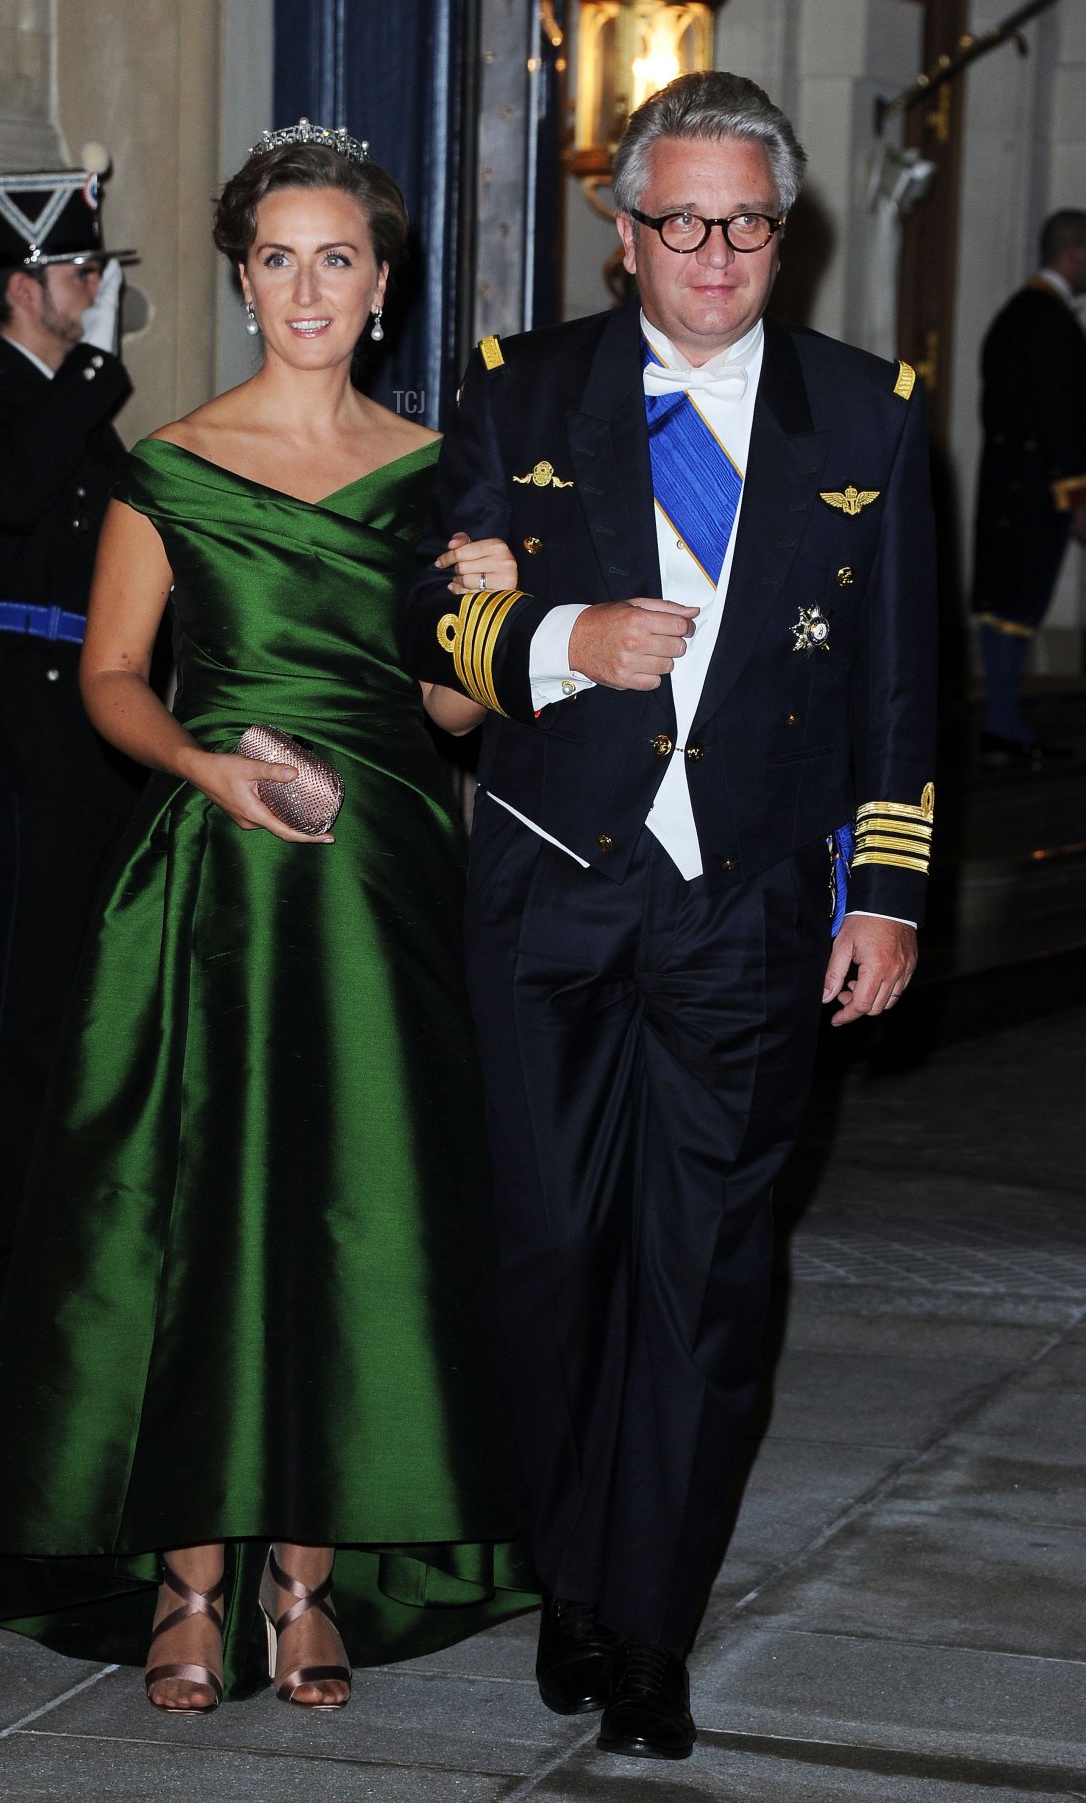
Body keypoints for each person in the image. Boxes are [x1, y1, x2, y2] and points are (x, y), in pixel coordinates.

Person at [0, 122, 533, 1714]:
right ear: (241, 277)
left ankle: (309, 1578)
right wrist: (211, 771)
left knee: (358, 1222)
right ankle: (189, 1579)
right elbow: (110, 678)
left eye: (334, 257)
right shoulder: (174, 460)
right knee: (200, 1223)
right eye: (276, 257)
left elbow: (451, 717)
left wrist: (478, 603)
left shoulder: (435, 473)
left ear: (382, 285)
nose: (305, 285)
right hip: (212, 885)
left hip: (382, 887)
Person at [404, 71, 937, 1763]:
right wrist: (565, 640)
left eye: (750, 223)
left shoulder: (867, 416)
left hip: (754, 907)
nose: (716, 255)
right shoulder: (520, 389)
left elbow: (899, 685)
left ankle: (646, 1626)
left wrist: (894, 895)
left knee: (706, 1284)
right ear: (623, 231)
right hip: (555, 893)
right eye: (683, 221)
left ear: (790, 234)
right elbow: (433, 636)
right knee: (552, 1258)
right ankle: (565, 1562)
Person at [0, 164, 144, 1331]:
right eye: (79, 268)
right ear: (21, 285)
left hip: (85, 744)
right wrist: (92, 370)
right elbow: (6, 498)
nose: (96, 286)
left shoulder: (67, 412)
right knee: (15, 1016)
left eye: (98, 268)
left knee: (71, 1015)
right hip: (13, 746)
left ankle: (54, 1249)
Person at [971, 208, 1086, 767]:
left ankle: (1002, 720)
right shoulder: (1053, 321)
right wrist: (1078, 497)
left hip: (1005, 484)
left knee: (1004, 603)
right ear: (1074, 252)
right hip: (1040, 488)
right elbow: (1062, 419)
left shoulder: (1014, 314)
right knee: (1018, 604)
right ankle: (1002, 724)